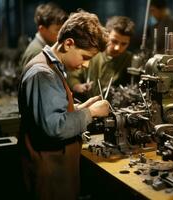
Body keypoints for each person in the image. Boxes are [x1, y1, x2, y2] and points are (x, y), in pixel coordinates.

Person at [18, 10, 110, 200]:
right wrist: (90, 113)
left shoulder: (53, 67)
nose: (85, 65)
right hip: (48, 173)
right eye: (85, 57)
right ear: (69, 43)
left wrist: (80, 108)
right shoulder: (42, 74)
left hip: (57, 169)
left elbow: (47, 114)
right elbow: (55, 127)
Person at [67, 16, 135, 101]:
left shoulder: (130, 60)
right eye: (114, 41)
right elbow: (72, 75)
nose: (118, 48)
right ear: (106, 35)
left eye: (124, 44)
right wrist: (77, 86)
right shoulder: (92, 53)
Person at [20, 2, 68, 68]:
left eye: (62, 29)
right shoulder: (37, 52)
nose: (62, 34)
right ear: (42, 29)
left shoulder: (46, 47)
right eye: (57, 30)